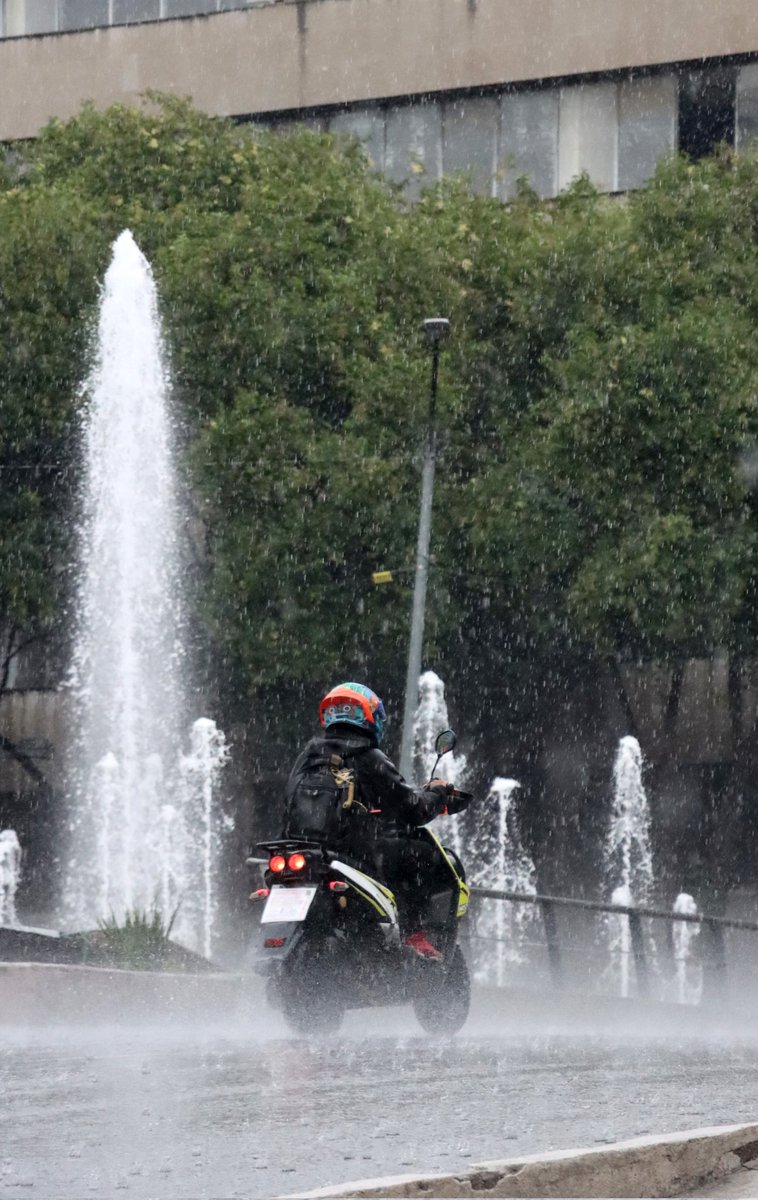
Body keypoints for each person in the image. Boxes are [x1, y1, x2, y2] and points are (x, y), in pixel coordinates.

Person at [284, 681, 453, 959]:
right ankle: (413, 935)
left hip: (299, 852)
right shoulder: (368, 757)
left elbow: (288, 799)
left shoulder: (307, 755)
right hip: (351, 854)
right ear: (369, 716)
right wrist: (437, 792)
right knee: (420, 856)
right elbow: (414, 809)